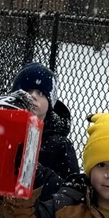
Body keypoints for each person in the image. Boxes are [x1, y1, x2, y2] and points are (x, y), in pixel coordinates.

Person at [10, 62, 82, 191]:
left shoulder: (60, 145)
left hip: (44, 206)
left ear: (50, 103)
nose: (32, 96)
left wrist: (40, 176)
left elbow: (71, 188)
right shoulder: (2, 131)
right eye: (27, 91)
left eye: (41, 93)